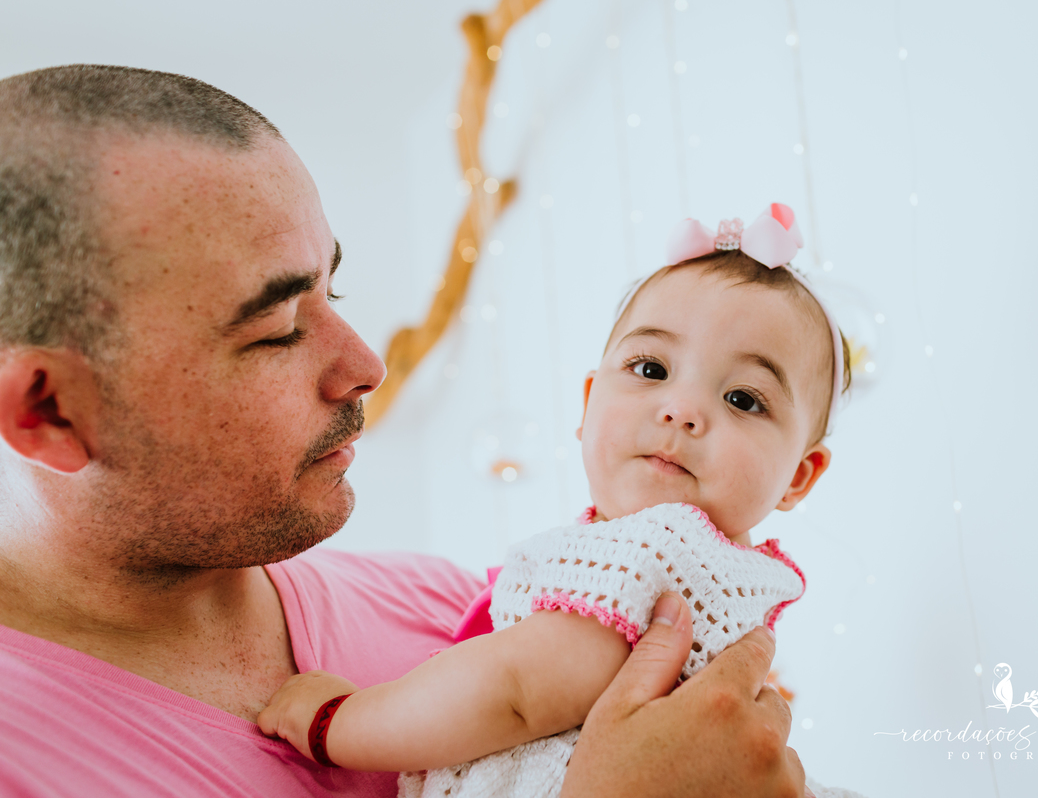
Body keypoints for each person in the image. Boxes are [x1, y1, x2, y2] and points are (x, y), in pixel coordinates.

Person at [0, 64, 810, 797]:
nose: (365, 365)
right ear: (51, 412)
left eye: (334, 293)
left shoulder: (460, 606)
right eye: (279, 325)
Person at [257, 205, 864, 798]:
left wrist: (337, 720)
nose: (681, 410)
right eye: (651, 368)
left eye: (743, 399)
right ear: (588, 403)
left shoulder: (658, 551)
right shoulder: (723, 570)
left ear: (798, 478)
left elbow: (514, 692)